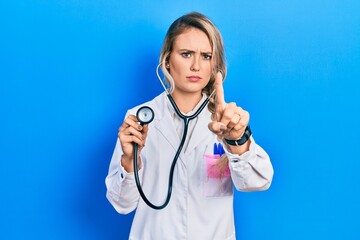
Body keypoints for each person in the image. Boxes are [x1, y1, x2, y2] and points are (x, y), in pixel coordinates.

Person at [105, 12, 274, 240]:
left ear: (215, 65)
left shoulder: (228, 121)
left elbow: (258, 182)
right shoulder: (138, 119)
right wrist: (129, 160)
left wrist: (237, 141)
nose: (196, 65)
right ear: (167, 60)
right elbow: (122, 204)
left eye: (206, 56)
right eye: (186, 54)